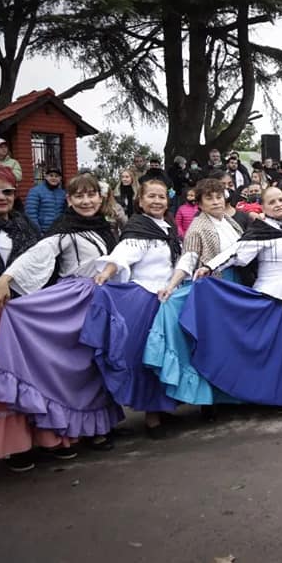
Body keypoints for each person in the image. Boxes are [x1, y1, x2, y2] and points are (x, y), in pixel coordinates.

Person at [0, 173, 121, 452]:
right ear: (68, 200)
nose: (86, 201)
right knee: (79, 365)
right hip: (76, 300)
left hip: (105, 299)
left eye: (91, 194)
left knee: (97, 365)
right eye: (78, 196)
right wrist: (5, 280)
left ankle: (98, 427)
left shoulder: (107, 226)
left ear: (100, 197)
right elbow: (39, 254)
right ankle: (73, 428)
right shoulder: (64, 229)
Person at [0, 164, 72, 471]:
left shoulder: (24, 224)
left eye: (7, 191)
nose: (1, 197)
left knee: (33, 379)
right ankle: (13, 447)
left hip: (24, 315)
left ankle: (41, 439)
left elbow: (42, 264)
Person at [185, 186, 282, 408]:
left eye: (280, 199)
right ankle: (270, 397)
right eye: (271, 202)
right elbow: (236, 251)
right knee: (271, 354)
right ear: (262, 207)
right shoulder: (261, 230)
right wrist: (209, 266)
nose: (278, 204)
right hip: (273, 297)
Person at [87, 179, 180, 438]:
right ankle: (152, 419)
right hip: (146, 300)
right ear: (140, 201)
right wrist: (106, 272)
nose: (157, 201)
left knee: (165, 356)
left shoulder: (169, 230)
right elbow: (123, 254)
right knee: (147, 357)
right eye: (151, 196)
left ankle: (162, 408)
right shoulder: (138, 229)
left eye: (161, 196)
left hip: (167, 299)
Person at [148, 177, 244, 409]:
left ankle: (232, 393)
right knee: (215, 343)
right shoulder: (198, 226)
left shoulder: (231, 222)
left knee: (232, 342)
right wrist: (172, 285)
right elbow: (188, 258)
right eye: (209, 198)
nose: (215, 202)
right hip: (214, 288)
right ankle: (210, 402)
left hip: (235, 285)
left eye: (218, 196)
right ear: (199, 204)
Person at [25, 167, 67, 233]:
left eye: (56, 176)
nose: (54, 178)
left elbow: (65, 213)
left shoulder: (63, 193)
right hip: (43, 232)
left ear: (60, 179)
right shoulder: (35, 191)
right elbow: (31, 214)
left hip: (59, 232)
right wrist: (38, 232)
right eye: (51, 175)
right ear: (46, 177)